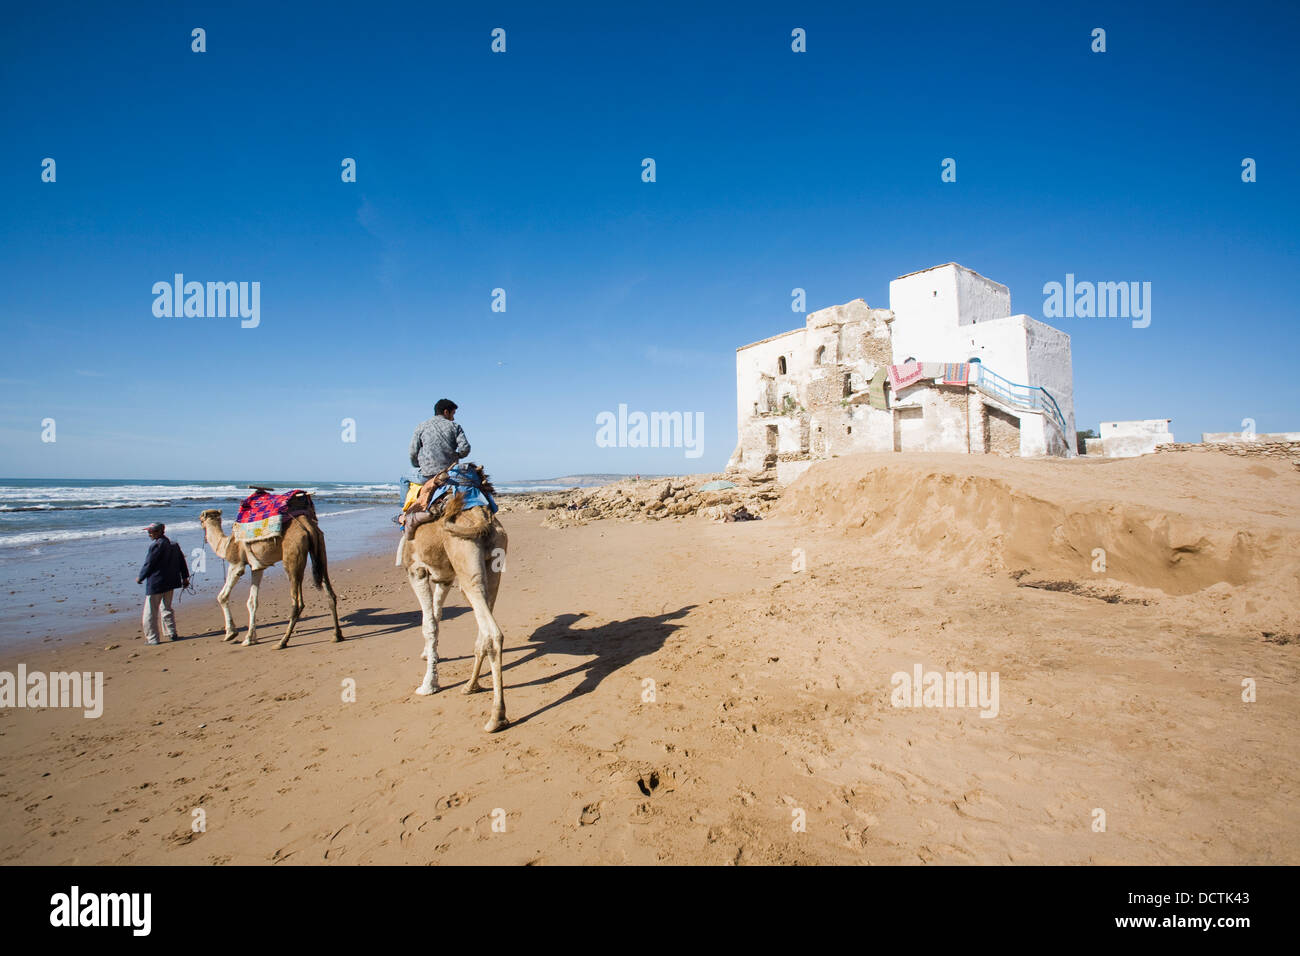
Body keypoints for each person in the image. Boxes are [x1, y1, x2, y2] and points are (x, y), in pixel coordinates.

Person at [137, 522, 190, 645]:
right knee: (166, 608)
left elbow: (149, 564)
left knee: (150, 612)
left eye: (151, 532)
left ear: (160, 532)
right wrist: (185, 578)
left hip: (156, 583)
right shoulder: (174, 544)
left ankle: (152, 639)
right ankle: (172, 633)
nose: (149, 534)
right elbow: (182, 561)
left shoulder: (156, 546)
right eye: (149, 532)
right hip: (171, 582)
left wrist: (141, 577)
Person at [409, 398, 471, 482]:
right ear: (446, 412)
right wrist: (456, 455)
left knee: (404, 479)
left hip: (427, 474)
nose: (453, 418)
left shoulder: (421, 426)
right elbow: (465, 448)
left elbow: (413, 452)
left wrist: (417, 465)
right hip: (450, 472)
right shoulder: (455, 426)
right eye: (453, 414)